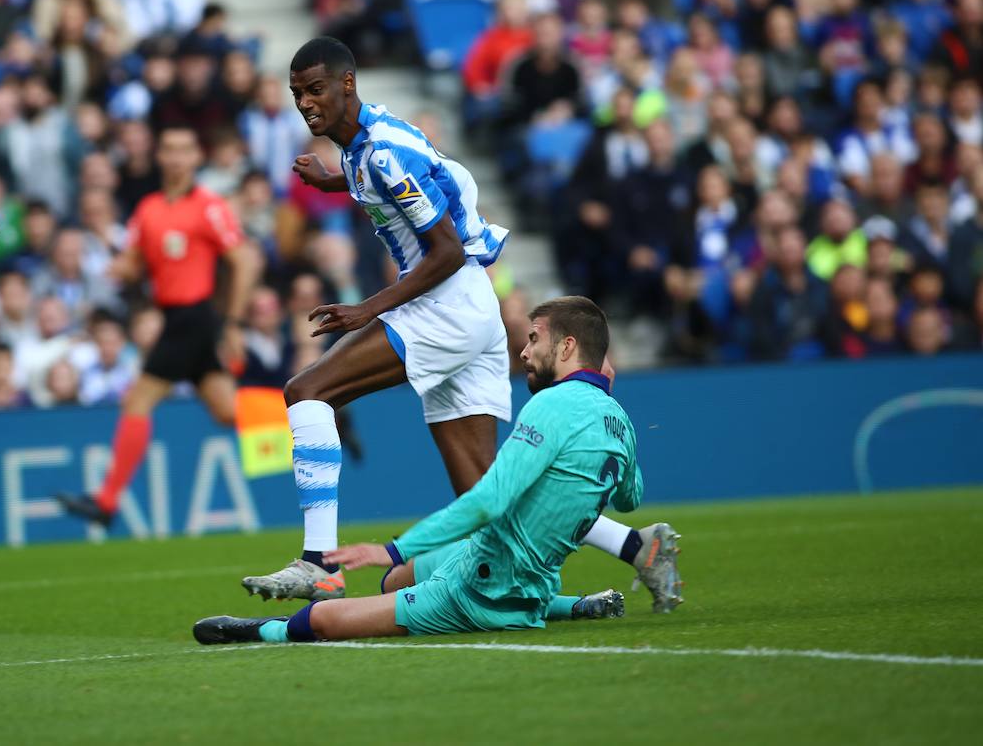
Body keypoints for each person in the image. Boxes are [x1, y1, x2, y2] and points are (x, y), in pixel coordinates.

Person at [238, 38, 679, 611]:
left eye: (315, 89)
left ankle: (319, 564)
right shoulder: (367, 143)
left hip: (445, 303)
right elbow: (428, 178)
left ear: (347, 83)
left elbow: (444, 251)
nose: (305, 103)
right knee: (484, 491)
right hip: (469, 309)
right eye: (297, 92)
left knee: (307, 392)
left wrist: (367, 309)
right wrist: (334, 181)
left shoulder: (381, 152)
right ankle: (635, 547)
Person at [193, 297, 644, 644]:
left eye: (534, 340)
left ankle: (260, 631)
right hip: (532, 576)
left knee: (323, 618)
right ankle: (572, 605)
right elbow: (629, 498)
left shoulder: (550, 405)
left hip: (481, 588)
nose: (524, 351)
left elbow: (487, 500)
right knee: (397, 580)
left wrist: (391, 548)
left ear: (567, 346)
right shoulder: (619, 420)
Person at [55, 126, 260, 525]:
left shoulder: (209, 206)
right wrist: (115, 262)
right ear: (159, 156)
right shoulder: (148, 209)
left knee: (138, 401)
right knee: (226, 411)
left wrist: (234, 323)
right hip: (176, 318)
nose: (176, 157)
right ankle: (317, 419)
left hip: (194, 317)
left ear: (196, 158)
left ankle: (106, 502)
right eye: (169, 149)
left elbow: (246, 260)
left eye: (184, 149)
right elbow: (132, 264)